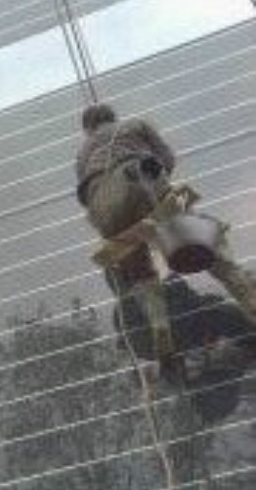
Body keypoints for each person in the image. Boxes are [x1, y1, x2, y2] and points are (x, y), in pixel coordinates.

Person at [76, 103, 256, 359]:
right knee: (208, 241)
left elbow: (85, 197)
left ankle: (160, 326)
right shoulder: (135, 125)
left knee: (141, 266)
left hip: (105, 211)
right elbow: (167, 160)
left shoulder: (82, 152)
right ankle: (249, 297)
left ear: (87, 128)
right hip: (141, 181)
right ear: (112, 118)